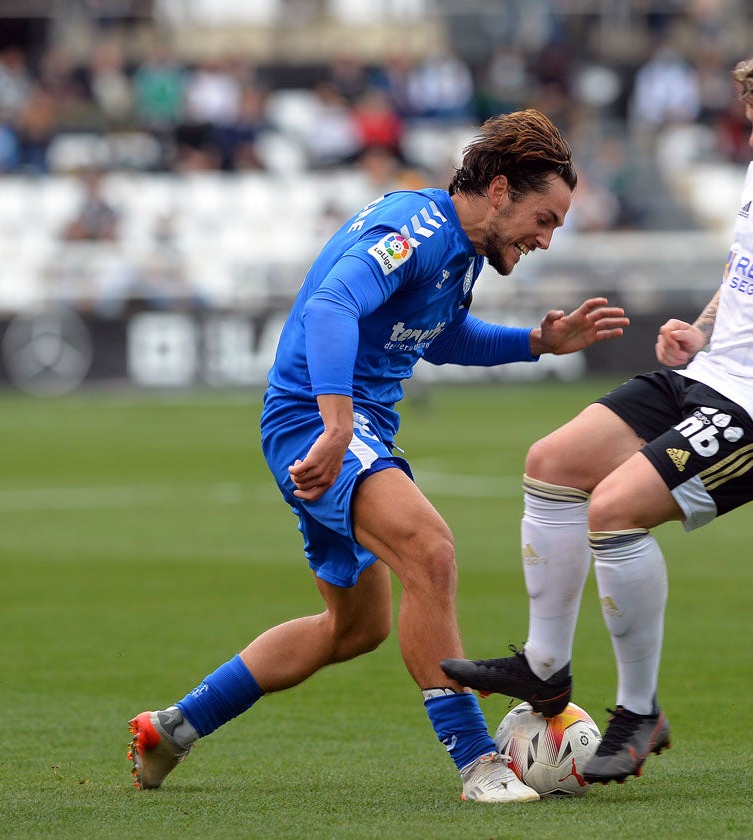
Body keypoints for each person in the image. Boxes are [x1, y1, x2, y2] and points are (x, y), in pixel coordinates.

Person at [442, 37, 753, 786]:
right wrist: (704, 327)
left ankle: (638, 712)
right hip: (707, 376)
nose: (752, 139)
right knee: (550, 463)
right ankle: (543, 669)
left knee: (611, 509)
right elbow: (743, 270)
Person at [126, 109, 629, 803]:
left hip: (346, 428)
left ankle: (174, 727)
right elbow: (331, 306)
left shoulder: (457, 255)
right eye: (544, 219)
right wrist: (335, 428)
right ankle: (478, 762)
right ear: (500, 189)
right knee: (431, 551)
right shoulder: (415, 229)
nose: (545, 239)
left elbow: (441, 337)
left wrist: (537, 345)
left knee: (353, 628)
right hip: (317, 419)